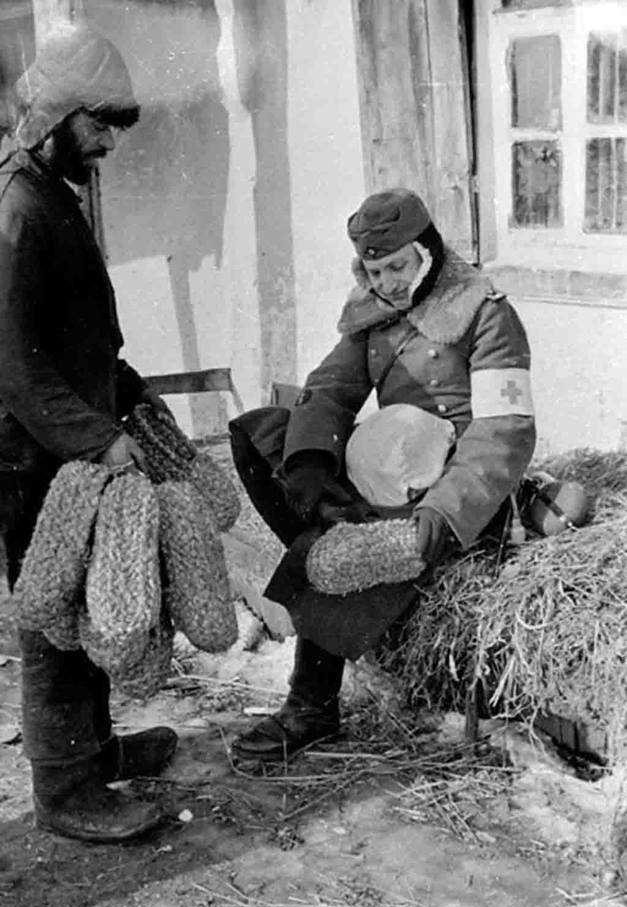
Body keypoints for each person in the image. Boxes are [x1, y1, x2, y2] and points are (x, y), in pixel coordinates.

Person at [229, 187, 536, 764]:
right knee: (264, 430)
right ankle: (329, 517)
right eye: (375, 270)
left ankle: (311, 706)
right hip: (392, 468)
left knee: (341, 558)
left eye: (398, 266)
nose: (389, 283)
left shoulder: (486, 313)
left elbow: (505, 433)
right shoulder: (377, 312)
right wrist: (311, 463)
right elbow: (332, 388)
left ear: (428, 251)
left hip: (459, 489)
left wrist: (446, 509)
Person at [0, 21, 177, 842]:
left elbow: (78, 336)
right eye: (98, 124)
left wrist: (128, 391)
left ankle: (95, 751)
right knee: (55, 621)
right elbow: (15, 362)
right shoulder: (16, 212)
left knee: (94, 604)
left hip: (68, 443)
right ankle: (66, 793)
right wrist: (94, 436)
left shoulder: (52, 197)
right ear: (56, 116)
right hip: (33, 456)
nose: (107, 142)